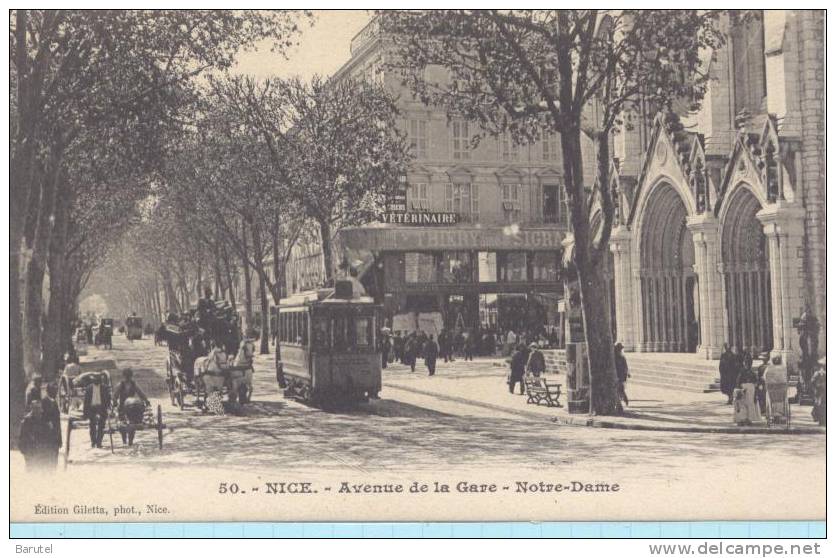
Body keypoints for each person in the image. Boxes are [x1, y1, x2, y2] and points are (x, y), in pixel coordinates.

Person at [112, 369, 149, 445]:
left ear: (131, 376)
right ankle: (124, 438)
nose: (128, 378)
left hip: (132, 405)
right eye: (127, 376)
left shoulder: (134, 384)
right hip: (122, 406)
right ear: (124, 376)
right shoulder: (120, 385)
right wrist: (115, 402)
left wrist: (146, 400)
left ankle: (130, 440)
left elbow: (140, 393)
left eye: (129, 376)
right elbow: (115, 395)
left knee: (133, 423)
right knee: (122, 424)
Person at [18, 401, 58, 472]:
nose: (38, 410)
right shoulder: (26, 421)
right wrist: (25, 453)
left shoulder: (45, 420)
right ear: (32, 408)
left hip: (43, 455)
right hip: (31, 455)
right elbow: (21, 439)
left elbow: (50, 437)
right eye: (35, 408)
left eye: (39, 408)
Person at [82, 373, 110, 448]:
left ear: (100, 380)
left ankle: (99, 442)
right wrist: (85, 413)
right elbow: (86, 401)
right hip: (92, 408)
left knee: (101, 426)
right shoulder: (89, 388)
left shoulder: (105, 388)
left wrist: (109, 408)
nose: (96, 381)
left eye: (98, 379)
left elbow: (108, 399)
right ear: (93, 380)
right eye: (95, 379)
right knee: (92, 425)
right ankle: (93, 441)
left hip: (102, 408)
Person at [40, 384, 62, 468]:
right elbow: (42, 419)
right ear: (49, 391)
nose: (56, 392)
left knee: (54, 461)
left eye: (56, 390)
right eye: (54, 390)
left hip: (55, 437)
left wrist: (60, 439)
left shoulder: (54, 402)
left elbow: (58, 422)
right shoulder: (43, 402)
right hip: (47, 437)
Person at [614, 342, 630, 407]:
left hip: (621, 376)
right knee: (619, 389)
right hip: (617, 376)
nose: (620, 351)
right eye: (619, 349)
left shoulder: (622, 357)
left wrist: (627, 373)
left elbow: (625, 366)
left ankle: (624, 400)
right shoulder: (615, 357)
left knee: (620, 389)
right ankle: (623, 401)